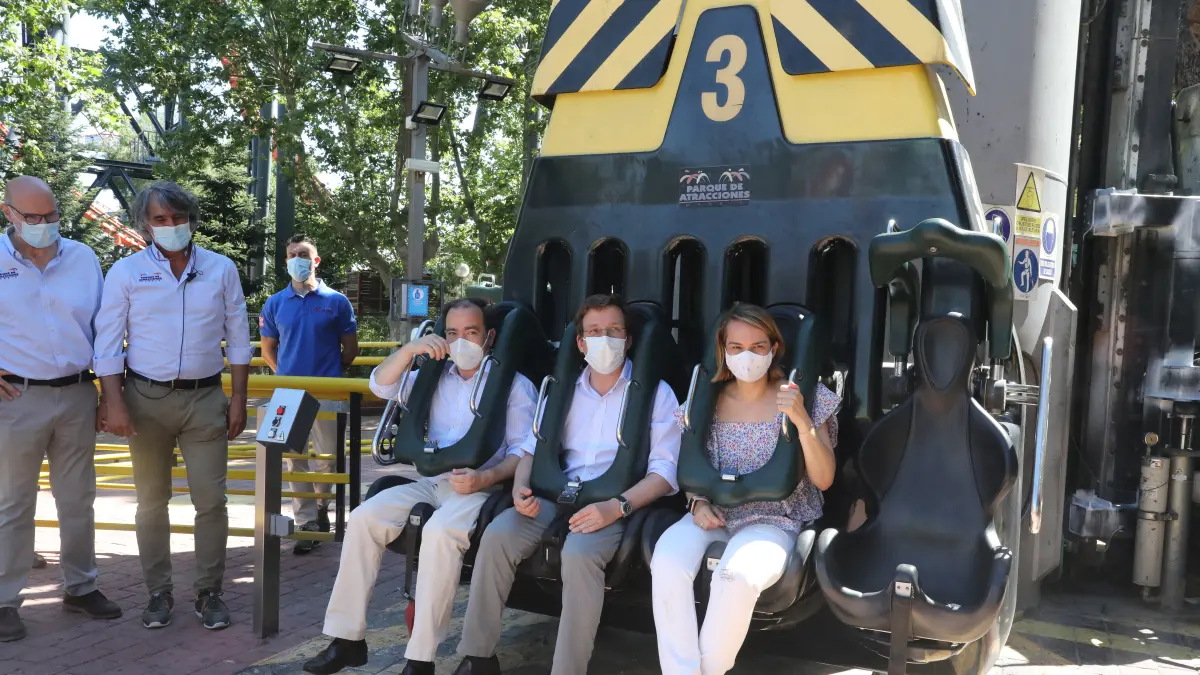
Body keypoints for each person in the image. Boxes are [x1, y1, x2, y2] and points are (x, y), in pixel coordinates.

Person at [304, 298, 536, 675]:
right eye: (453, 333)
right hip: (431, 481)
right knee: (363, 519)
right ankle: (347, 639)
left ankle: (420, 659)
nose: (462, 341)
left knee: (440, 533)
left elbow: (523, 449)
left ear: (489, 337)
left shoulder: (513, 384)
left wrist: (486, 478)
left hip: (478, 487)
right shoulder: (432, 376)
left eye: (471, 332)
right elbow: (380, 385)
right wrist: (410, 350)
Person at [453, 294, 682, 675]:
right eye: (594, 331)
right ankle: (478, 656)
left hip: (613, 504)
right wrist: (520, 488)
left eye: (613, 331)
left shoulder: (656, 394)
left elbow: (665, 471)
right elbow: (533, 448)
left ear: (627, 340)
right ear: (580, 342)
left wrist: (617, 507)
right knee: (497, 536)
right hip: (556, 494)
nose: (604, 339)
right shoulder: (561, 390)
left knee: (579, 554)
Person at [94, 181, 252, 631]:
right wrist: (113, 401)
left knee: (211, 501)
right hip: (145, 399)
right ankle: (158, 592)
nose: (170, 225)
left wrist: (239, 398)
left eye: (178, 217)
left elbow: (238, 336)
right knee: (151, 501)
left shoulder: (221, 269)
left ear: (191, 220)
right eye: (160, 219)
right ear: (145, 224)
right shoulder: (126, 272)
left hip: (205, 399)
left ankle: (209, 591)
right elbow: (108, 341)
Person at [650, 303, 839, 675]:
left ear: (774, 348)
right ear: (723, 350)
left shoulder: (807, 395)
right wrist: (697, 503)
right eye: (736, 347)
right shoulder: (705, 399)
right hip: (716, 513)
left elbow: (824, 479)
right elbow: (691, 465)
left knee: (736, 575)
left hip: (775, 519)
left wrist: (802, 420)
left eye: (757, 346)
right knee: (667, 561)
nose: (746, 357)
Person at [0, 176, 122, 642]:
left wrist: (110, 395)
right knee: (13, 502)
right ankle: (5, 600)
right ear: (9, 213)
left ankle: (81, 586)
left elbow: (105, 328)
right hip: (16, 397)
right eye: (33, 217)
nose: (45, 224)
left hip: (76, 393)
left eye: (52, 215)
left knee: (78, 497)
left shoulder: (83, 258)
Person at [259, 233, 359, 554]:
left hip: (328, 390)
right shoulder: (275, 303)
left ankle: (321, 509)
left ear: (315, 260)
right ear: (285, 261)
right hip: (288, 393)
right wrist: (287, 375)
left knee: (328, 459)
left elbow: (350, 349)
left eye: (303, 254)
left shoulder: (337, 301)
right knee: (293, 459)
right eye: (292, 255)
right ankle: (305, 523)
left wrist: (329, 374)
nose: (296, 259)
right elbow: (267, 351)